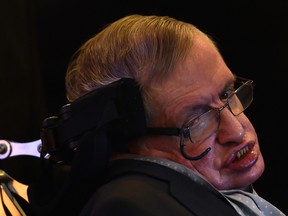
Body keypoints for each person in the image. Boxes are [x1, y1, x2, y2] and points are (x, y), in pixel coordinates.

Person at [30, 14, 286, 216]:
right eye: (197, 121)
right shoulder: (130, 207)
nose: (236, 131)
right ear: (132, 143)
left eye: (227, 92)